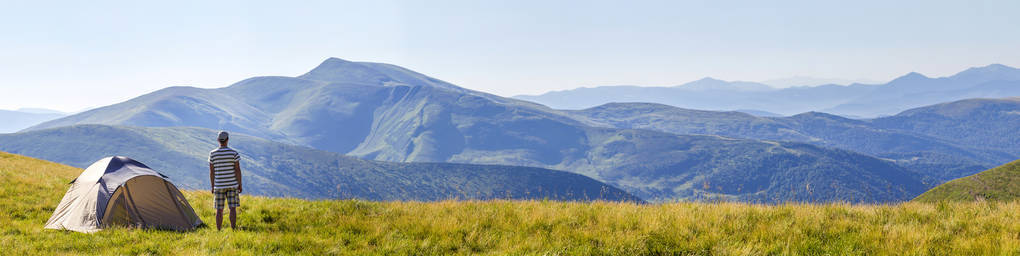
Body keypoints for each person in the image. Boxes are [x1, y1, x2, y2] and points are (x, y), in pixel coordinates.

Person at [209, 131, 242, 230]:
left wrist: (212, 186)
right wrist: (240, 184)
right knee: (232, 208)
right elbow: (237, 170)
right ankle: (233, 229)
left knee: (219, 210)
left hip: (219, 185)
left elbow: (211, 171)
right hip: (232, 184)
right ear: (227, 139)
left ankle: (218, 230)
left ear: (218, 140)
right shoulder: (234, 153)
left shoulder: (212, 154)